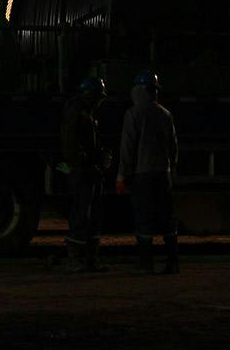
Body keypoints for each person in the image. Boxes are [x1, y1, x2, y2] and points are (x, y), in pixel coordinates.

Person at [116, 70, 179, 274]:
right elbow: (173, 147)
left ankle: (146, 263)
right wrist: (171, 171)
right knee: (166, 217)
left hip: (142, 174)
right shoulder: (165, 114)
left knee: (144, 218)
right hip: (163, 173)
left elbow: (128, 148)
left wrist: (121, 176)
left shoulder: (133, 114)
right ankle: (172, 262)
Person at [59, 75, 111, 272]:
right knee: (82, 212)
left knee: (92, 213)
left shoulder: (86, 111)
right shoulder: (79, 112)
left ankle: (89, 258)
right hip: (83, 171)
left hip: (87, 170)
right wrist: (91, 161)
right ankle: (77, 258)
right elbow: (72, 146)